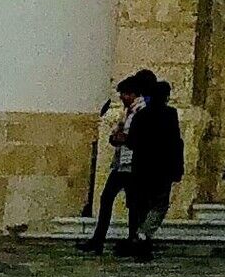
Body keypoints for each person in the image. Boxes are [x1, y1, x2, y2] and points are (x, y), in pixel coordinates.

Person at [78, 72, 150, 247]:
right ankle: (100, 237)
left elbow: (137, 137)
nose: (122, 98)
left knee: (131, 202)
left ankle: (131, 237)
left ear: (133, 94)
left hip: (133, 163)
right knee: (109, 198)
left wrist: (124, 137)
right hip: (121, 163)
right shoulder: (128, 112)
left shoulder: (142, 112)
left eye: (124, 94)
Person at [115, 73, 183, 256]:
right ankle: (144, 234)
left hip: (142, 167)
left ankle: (140, 237)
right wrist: (178, 166)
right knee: (160, 204)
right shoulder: (170, 114)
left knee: (143, 204)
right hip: (162, 167)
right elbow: (176, 141)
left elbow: (132, 141)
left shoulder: (141, 115)